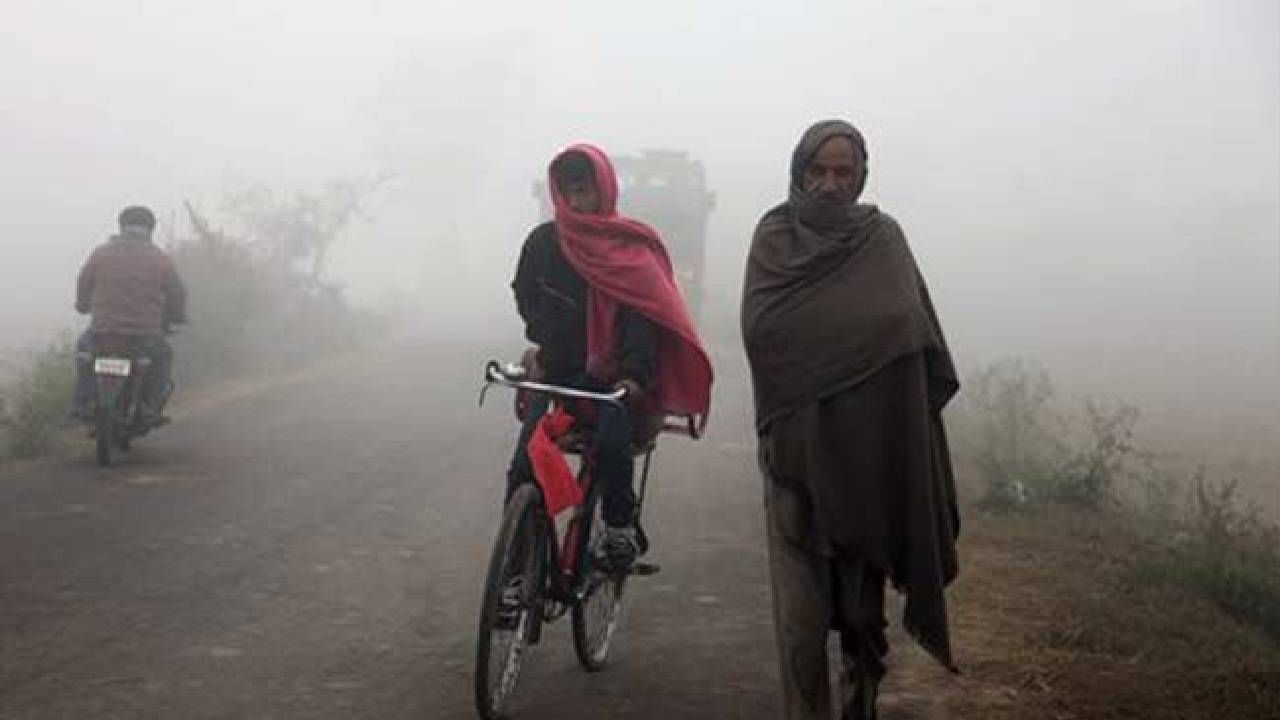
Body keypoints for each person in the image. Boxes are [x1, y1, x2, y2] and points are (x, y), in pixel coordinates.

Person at [741, 120, 961, 720]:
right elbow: (764, 332)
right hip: (796, 461)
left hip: (869, 464)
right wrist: (851, 348)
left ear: (861, 175)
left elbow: (912, 332)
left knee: (864, 621)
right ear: (799, 171)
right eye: (819, 171)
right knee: (801, 627)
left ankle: (859, 707)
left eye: (844, 172)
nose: (831, 184)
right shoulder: (775, 236)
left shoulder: (882, 239)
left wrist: (853, 350)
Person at [509, 144, 712, 568]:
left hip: (613, 378)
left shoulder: (629, 248)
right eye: (568, 193)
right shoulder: (544, 244)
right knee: (522, 467)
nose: (577, 202)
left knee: (612, 445)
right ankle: (514, 573)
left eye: (585, 191)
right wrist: (544, 342)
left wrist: (633, 376)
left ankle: (619, 528)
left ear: (604, 191)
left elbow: (646, 314)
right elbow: (525, 294)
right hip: (556, 371)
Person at [73, 205, 187, 423]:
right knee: (163, 357)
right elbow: (177, 293)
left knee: (84, 355)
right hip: (144, 334)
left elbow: (84, 281)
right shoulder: (160, 259)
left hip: (103, 331)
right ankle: (148, 407)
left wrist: (82, 305)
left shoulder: (101, 253)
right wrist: (177, 317)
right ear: (150, 229)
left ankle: (83, 402)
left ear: (121, 226)